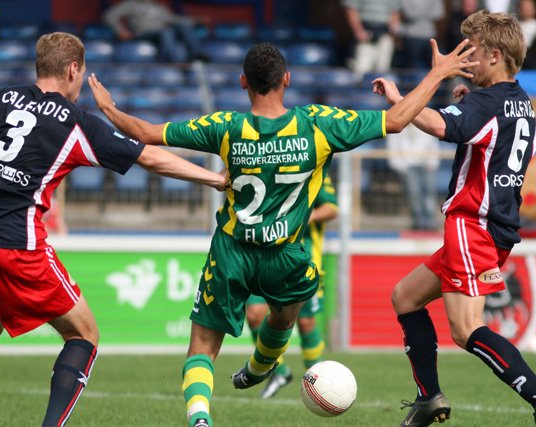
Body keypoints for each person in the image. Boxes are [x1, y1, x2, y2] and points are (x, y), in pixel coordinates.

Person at [88, 39, 477, 427]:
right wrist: (437, 73)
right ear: (286, 79)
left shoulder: (225, 127)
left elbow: (147, 133)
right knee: (284, 318)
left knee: (202, 349)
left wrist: (107, 108)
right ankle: (261, 367)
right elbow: (395, 121)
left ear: (243, 81)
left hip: (232, 251)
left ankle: (202, 420)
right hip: (286, 254)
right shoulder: (317, 124)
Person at [0, 32, 226, 427]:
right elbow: (150, 158)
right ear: (73, 70)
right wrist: (215, 180)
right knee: (84, 334)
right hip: (19, 246)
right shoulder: (75, 123)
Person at [373, 10, 536, 426]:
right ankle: (429, 398)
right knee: (405, 297)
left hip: (472, 226)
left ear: (496, 55)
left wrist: (400, 100)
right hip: (492, 228)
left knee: (466, 330)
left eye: (472, 53)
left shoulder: (486, 102)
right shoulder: (521, 101)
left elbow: (439, 125)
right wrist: (468, 98)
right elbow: (485, 132)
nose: (465, 60)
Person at [245, 175, 338, 399]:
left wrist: (303, 216)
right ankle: (278, 371)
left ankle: (317, 381)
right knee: (255, 313)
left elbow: (331, 208)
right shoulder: (262, 162)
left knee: (305, 322)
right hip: (264, 256)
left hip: (304, 260)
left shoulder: (314, 163)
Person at [103, 0, 203, 63]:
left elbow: (174, 19)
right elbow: (110, 15)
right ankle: (172, 62)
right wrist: (120, 30)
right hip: (142, 33)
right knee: (166, 31)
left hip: (161, 32)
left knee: (183, 26)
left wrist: (196, 20)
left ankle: (197, 55)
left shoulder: (158, 6)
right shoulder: (131, 4)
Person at [386, 123, 441, 231]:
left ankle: (429, 222)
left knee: (429, 193)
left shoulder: (424, 124)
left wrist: (432, 162)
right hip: (407, 165)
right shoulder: (397, 127)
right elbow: (392, 148)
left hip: (426, 164)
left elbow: (432, 144)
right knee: (413, 193)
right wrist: (401, 166)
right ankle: (418, 221)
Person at [342, 0, 401, 76]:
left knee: (382, 71)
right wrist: (359, 31)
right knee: (361, 71)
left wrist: (393, 31)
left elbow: (395, 11)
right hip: (365, 34)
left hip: (384, 34)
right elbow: (351, 10)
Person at [397, 0, 445, 69]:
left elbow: (439, 13)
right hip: (412, 36)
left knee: (436, 66)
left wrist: (418, 10)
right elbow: (409, 13)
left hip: (430, 35)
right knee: (411, 68)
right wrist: (427, 9)